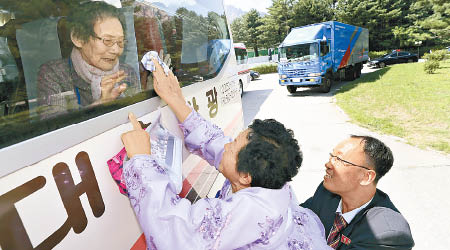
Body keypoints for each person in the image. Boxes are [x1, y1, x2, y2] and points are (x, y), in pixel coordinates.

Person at [115, 57, 332, 249]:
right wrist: (176, 100)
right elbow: (215, 142)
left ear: (245, 176)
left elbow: (175, 232)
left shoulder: (250, 213)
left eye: (232, 146)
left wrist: (141, 161)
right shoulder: (267, 178)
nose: (224, 145)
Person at [301, 136, 415, 249]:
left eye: (339, 160)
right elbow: (297, 218)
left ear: (366, 177)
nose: (328, 164)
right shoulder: (327, 192)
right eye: (332, 156)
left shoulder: (387, 234)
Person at [37, 1, 138, 117]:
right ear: (78, 38)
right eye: (107, 40)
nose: (116, 50)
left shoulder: (127, 73)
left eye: (120, 41)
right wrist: (101, 104)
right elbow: (54, 127)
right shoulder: (55, 74)